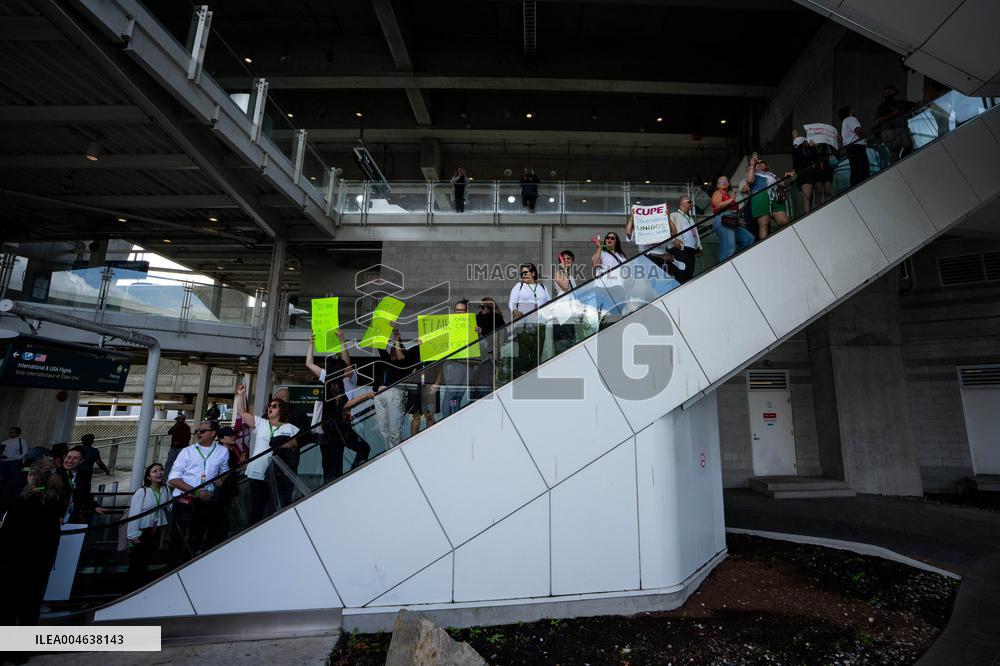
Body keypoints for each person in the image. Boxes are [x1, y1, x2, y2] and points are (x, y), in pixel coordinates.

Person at [0, 458, 64, 632]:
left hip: (13, 563)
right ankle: (20, 652)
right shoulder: (55, 503)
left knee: (8, 606)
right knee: (31, 607)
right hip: (40, 565)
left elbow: (6, 535)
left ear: (31, 477)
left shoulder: (21, 502)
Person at [305, 331, 373, 481]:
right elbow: (309, 364)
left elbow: (346, 361)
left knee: (332, 463)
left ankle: (340, 481)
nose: (349, 368)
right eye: (345, 368)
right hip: (335, 427)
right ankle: (344, 480)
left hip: (332, 426)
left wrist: (342, 340)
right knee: (333, 463)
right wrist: (311, 344)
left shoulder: (348, 380)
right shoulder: (332, 381)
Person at [235, 385, 299, 525]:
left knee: (275, 504)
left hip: (277, 472)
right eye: (269, 405)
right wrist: (240, 395)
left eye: (274, 406)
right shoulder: (261, 423)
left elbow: (294, 444)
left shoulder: (289, 427)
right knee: (258, 504)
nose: (270, 407)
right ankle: (252, 531)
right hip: (257, 471)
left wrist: (280, 444)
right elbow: (241, 413)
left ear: (281, 410)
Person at [167, 420, 229, 558]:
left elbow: (225, 470)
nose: (198, 433)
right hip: (184, 502)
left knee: (197, 537)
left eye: (202, 431)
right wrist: (197, 492)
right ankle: (172, 569)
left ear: (213, 433)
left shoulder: (222, 451)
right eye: (197, 431)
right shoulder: (186, 452)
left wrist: (220, 480)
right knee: (178, 539)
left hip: (206, 502)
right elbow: (173, 479)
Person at [125, 462, 170, 591]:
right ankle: (131, 588)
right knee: (137, 560)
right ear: (149, 477)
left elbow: (168, 505)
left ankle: (141, 586)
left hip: (156, 529)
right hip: (142, 530)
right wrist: (133, 535)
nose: (159, 473)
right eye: (154, 471)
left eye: (160, 470)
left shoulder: (165, 489)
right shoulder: (142, 492)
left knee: (148, 558)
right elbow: (134, 513)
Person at [508, 263, 551, 376]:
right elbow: (512, 302)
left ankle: (533, 374)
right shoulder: (519, 286)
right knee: (525, 350)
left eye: (525, 272)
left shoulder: (542, 287)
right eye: (522, 273)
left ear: (533, 273)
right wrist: (514, 310)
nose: (523, 275)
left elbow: (548, 303)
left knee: (537, 350)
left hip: (540, 323)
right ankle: (521, 374)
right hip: (525, 323)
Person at [744, 155, 792, 240]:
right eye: (756, 163)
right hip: (760, 196)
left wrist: (786, 177)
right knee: (764, 225)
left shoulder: (771, 175)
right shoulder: (752, 171)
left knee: (784, 221)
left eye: (761, 162)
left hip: (774, 197)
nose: (758, 163)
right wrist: (751, 165)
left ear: (765, 166)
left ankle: (785, 240)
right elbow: (750, 180)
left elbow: (783, 184)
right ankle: (765, 246)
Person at [711, 175, 754, 261]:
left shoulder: (729, 195)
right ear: (717, 186)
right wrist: (732, 199)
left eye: (726, 180)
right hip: (723, 219)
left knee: (749, 239)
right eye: (721, 181)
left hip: (733, 221)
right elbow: (718, 205)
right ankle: (726, 267)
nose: (724, 181)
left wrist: (739, 222)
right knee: (728, 248)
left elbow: (734, 211)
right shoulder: (718, 193)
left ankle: (736, 261)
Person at [60, 445, 106, 524]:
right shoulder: (55, 474)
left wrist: (94, 506)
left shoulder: (83, 475)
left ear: (81, 461)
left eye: (75, 458)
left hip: (70, 518)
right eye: (69, 457)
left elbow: (85, 495)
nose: (70, 461)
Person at [874, 84, 916, 163]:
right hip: (889, 130)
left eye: (889, 91)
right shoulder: (882, 106)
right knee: (895, 151)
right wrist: (893, 115)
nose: (887, 94)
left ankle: (902, 163)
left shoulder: (901, 103)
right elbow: (877, 121)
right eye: (885, 93)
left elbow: (915, 105)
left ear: (894, 92)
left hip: (902, 128)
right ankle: (897, 165)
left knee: (908, 147)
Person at [668, 195, 702, 283]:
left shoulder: (690, 218)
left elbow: (695, 234)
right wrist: (674, 240)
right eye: (689, 202)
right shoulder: (674, 215)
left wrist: (698, 246)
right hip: (681, 248)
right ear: (682, 203)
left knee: (690, 273)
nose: (691, 204)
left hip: (691, 250)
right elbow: (669, 230)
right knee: (681, 272)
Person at [839, 106, 870, 187]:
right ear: (849, 112)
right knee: (863, 169)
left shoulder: (844, 122)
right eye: (852, 110)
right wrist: (866, 137)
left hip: (850, 148)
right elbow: (857, 130)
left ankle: (855, 188)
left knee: (855, 169)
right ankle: (863, 187)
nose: (854, 111)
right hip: (857, 147)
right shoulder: (850, 119)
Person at [792, 135, 818, 214]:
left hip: (807, 176)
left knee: (809, 198)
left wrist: (812, 148)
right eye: (805, 142)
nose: (807, 143)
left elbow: (813, 157)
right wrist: (811, 148)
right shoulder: (798, 152)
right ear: (802, 143)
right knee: (807, 199)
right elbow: (807, 158)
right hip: (805, 177)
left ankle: (809, 214)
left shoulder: (802, 151)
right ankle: (808, 216)